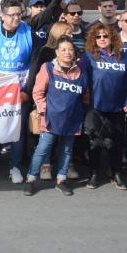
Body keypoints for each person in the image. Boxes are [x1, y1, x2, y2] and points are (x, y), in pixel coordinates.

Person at [0, 0, 35, 184]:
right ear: (2, 16)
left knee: (16, 130)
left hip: (20, 89)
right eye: (12, 15)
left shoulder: (28, 32)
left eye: (20, 14)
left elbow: (34, 64)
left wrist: (28, 90)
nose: (17, 18)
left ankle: (15, 166)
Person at [23, 39, 89, 196]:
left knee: (67, 150)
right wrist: (44, 111)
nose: (67, 53)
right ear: (57, 52)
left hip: (72, 118)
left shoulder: (80, 71)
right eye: (64, 50)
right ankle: (31, 179)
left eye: (70, 50)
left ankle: (61, 179)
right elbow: (38, 92)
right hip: (51, 118)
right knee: (43, 149)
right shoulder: (48, 68)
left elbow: (85, 96)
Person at [82, 23, 127, 190]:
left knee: (116, 143)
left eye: (105, 36)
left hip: (118, 107)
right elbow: (78, 77)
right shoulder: (89, 57)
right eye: (98, 36)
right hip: (95, 106)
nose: (102, 39)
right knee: (94, 143)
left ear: (113, 37)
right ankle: (94, 173)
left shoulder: (126, 58)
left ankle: (116, 173)